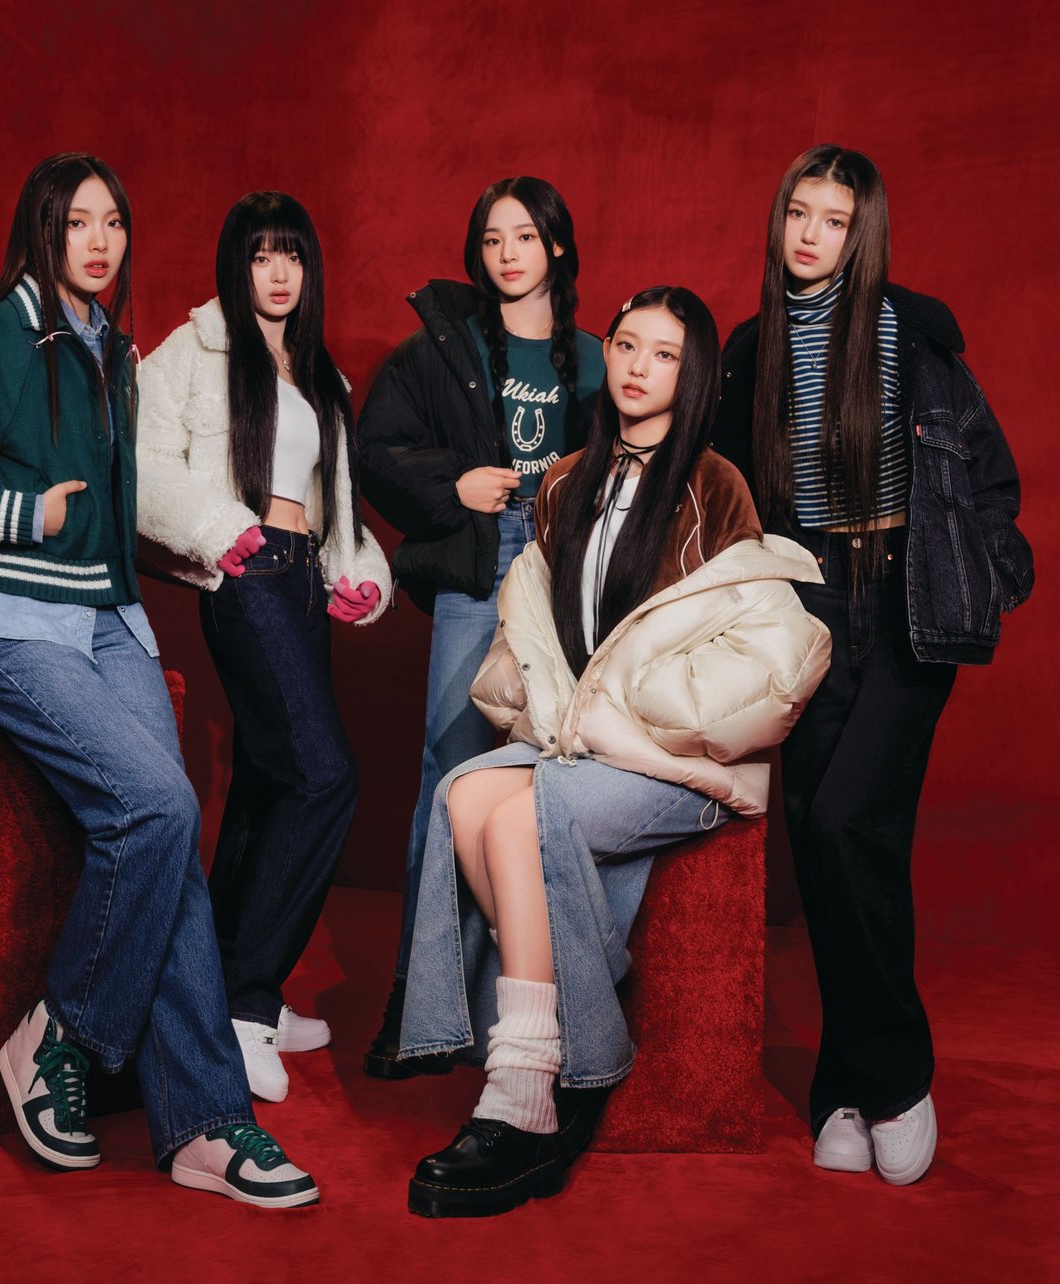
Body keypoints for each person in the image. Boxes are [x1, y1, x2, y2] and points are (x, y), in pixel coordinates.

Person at [0, 154, 318, 1208]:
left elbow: (115, 517)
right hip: (10, 621)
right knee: (156, 804)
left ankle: (204, 1124)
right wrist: (23, 515)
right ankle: (63, 1030)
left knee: (175, 836)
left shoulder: (112, 350)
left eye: (113, 222)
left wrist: (204, 558)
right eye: (78, 223)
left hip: (108, 620)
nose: (100, 242)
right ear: (42, 232)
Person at [397, 287, 832, 1217]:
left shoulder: (715, 484)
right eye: (628, 345)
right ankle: (569, 1011)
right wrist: (566, 712)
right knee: (464, 798)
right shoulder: (565, 481)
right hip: (583, 741)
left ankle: (526, 1085)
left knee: (521, 817)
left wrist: (632, 719)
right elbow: (547, 636)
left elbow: (748, 644)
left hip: (673, 754)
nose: (638, 366)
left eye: (664, 354)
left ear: (692, 372)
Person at [711, 144, 1034, 1186]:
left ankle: (894, 1079)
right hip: (801, 606)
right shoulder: (751, 350)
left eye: (835, 219)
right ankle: (843, 1090)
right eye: (797, 213)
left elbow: (989, 476)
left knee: (850, 820)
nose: (810, 234)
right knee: (821, 837)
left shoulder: (912, 335)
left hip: (903, 602)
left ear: (864, 234)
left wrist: (985, 572)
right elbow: (724, 493)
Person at [135, 191, 389, 1102]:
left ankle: (230, 993)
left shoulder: (321, 374)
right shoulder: (195, 351)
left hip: (304, 579)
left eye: (293, 256)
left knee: (268, 783)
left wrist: (361, 575)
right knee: (324, 777)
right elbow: (143, 463)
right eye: (260, 255)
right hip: (246, 574)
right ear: (235, 266)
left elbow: (338, 508)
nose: (279, 274)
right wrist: (218, 528)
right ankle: (243, 1007)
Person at [356, 177, 606, 1077]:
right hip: (479, 557)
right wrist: (452, 486)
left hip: (559, 566)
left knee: (550, 769)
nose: (507, 254)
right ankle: (423, 1009)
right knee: (451, 770)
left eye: (525, 236)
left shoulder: (597, 357)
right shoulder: (448, 348)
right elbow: (375, 448)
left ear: (557, 247)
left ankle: (531, 998)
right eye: (493, 239)